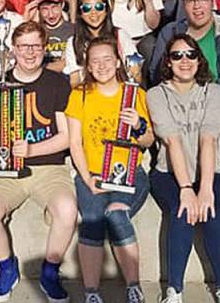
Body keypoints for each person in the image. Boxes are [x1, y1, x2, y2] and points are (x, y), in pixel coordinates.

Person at [0, 21, 76, 303]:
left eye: (36, 46)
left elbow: (66, 137)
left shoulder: (58, 83)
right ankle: (7, 267)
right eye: (23, 46)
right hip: (5, 171)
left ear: (45, 49)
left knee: (67, 210)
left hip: (48, 167)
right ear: (13, 49)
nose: (29, 53)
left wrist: (32, 150)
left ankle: (50, 271)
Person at [148, 34, 220, 303]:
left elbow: (208, 138)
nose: (184, 60)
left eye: (190, 54)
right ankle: (174, 290)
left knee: (211, 211)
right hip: (168, 174)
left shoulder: (215, 91)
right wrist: (187, 188)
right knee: (182, 211)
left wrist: (205, 188)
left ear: (199, 60)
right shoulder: (156, 94)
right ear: (168, 61)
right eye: (177, 55)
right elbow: (172, 140)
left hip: (211, 172)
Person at [65, 36, 155, 303]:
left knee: (115, 214)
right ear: (88, 67)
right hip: (92, 173)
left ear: (118, 62)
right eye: (95, 61)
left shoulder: (135, 93)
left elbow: (148, 140)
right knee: (92, 219)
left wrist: (138, 125)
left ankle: (133, 287)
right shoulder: (79, 95)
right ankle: (92, 292)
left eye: (107, 59)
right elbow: (74, 143)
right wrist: (86, 179)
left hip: (129, 174)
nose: (102, 65)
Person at [149, 0, 220, 190]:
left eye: (203, 0)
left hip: (217, 93)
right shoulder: (171, 32)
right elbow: (157, 73)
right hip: (178, 92)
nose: (197, 7)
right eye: (191, 1)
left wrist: (206, 97)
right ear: (183, 4)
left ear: (212, 2)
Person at [63, 0, 137, 88]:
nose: (93, 12)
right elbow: (74, 80)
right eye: (87, 8)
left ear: (106, 10)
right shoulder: (73, 42)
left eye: (99, 7)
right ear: (80, 13)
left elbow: (135, 72)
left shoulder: (121, 35)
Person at [29, 0, 74, 73]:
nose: (51, 14)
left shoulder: (74, 30)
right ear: (38, 10)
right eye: (45, 9)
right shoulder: (35, 33)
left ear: (62, 5)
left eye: (54, 7)